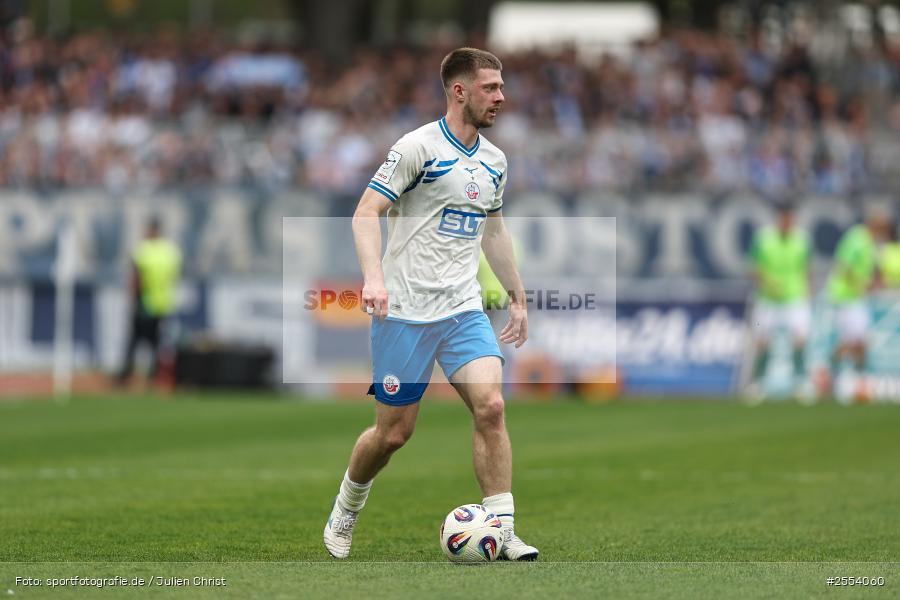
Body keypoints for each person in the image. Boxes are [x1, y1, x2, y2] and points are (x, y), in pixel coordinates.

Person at [323, 48, 538, 561]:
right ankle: (346, 507)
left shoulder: (495, 161)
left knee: (492, 407)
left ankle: (503, 530)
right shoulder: (416, 148)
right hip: (405, 311)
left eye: (501, 86)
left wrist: (518, 297)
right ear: (459, 91)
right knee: (393, 434)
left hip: (462, 308)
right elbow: (365, 212)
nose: (501, 97)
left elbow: (493, 231)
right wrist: (373, 279)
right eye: (490, 87)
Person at [746, 203, 812, 400]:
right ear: (778, 219)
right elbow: (753, 268)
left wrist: (808, 293)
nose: (787, 223)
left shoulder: (802, 239)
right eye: (784, 219)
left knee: (800, 341)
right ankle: (757, 383)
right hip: (767, 301)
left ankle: (800, 383)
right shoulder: (764, 239)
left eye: (790, 219)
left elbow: (807, 269)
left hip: (795, 299)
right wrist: (766, 283)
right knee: (762, 342)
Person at [824, 210, 892, 397]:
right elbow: (844, 266)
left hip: (856, 298)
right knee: (856, 342)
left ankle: (850, 381)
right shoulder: (856, 238)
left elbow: (873, 268)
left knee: (857, 342)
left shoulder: (870, 243)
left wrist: (877, 281)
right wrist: (862, 283)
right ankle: (838, 378)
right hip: (845, 297)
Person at [116, 217, 182, 384]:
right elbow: (175, 276)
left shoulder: (143, 250)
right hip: (164, 303)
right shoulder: (171, 251)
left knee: (135, 339)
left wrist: (133, 298)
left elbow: (136, 277)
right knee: (156, 341)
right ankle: (155, 374)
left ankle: (126, 373)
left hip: (145, 301)